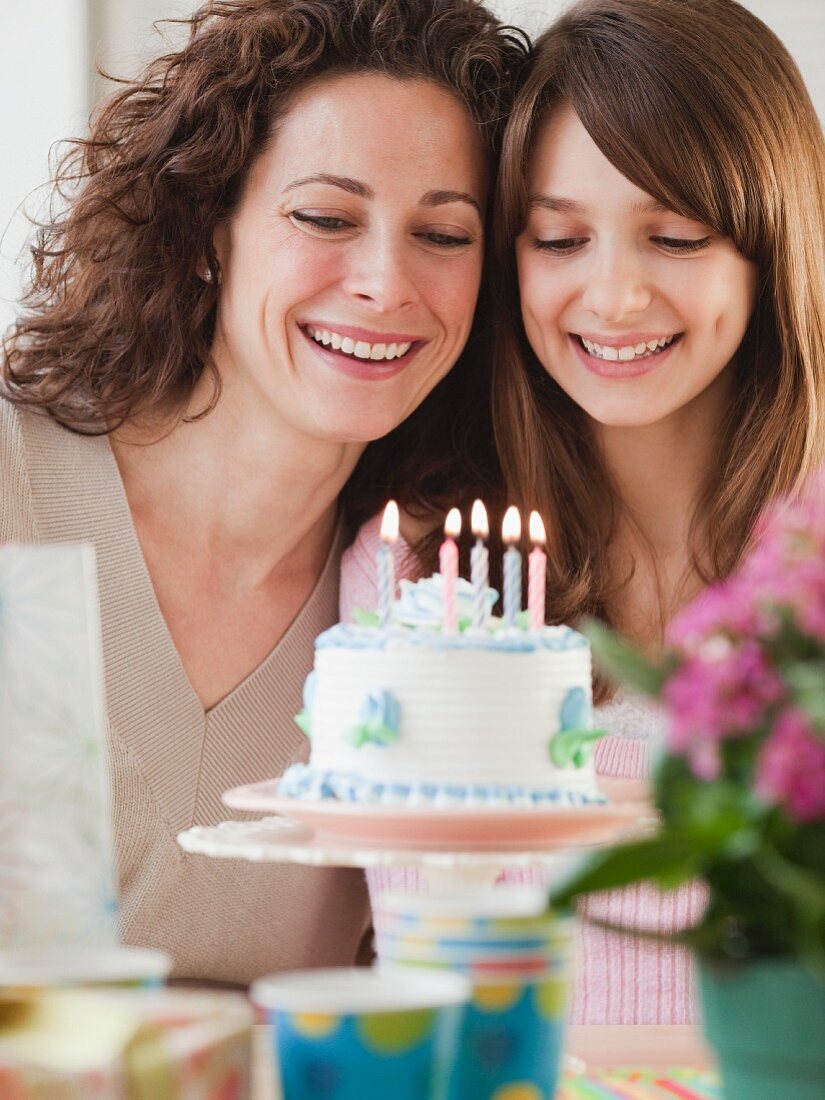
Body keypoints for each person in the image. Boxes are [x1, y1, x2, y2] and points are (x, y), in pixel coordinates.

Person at [0, 0, 527, 983]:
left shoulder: (427, 612)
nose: (384, 280)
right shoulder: (11, 481)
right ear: (207, 226)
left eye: (444, 234)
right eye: (326, 217)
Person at [343, 0, 825, 1023]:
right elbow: (426, 977)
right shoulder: (423, 576)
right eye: (560, 238)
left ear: (771, 245)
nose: (613, 295)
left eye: (676, 235)